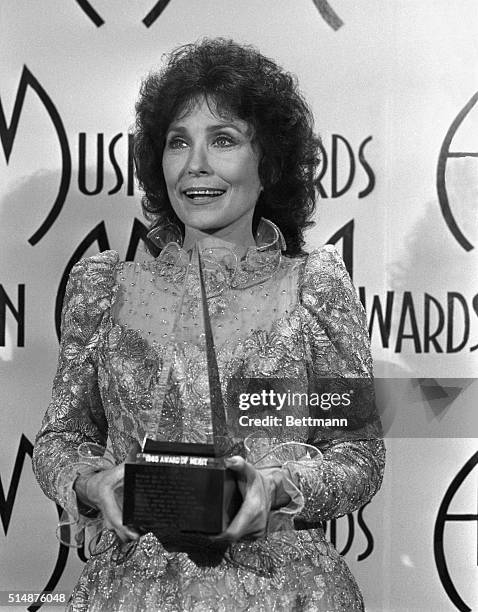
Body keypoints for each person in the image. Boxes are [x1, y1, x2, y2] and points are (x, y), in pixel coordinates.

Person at [33, 38, 385, 611]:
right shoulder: (106, 290)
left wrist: (277, 487)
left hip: (280, 591)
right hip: (132, 592)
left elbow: (359, 454)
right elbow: (59, 438)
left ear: (267, 163)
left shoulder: (312, 288)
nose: (195, 165)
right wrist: (91, 483)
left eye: (223, 140)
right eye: (178, 142)